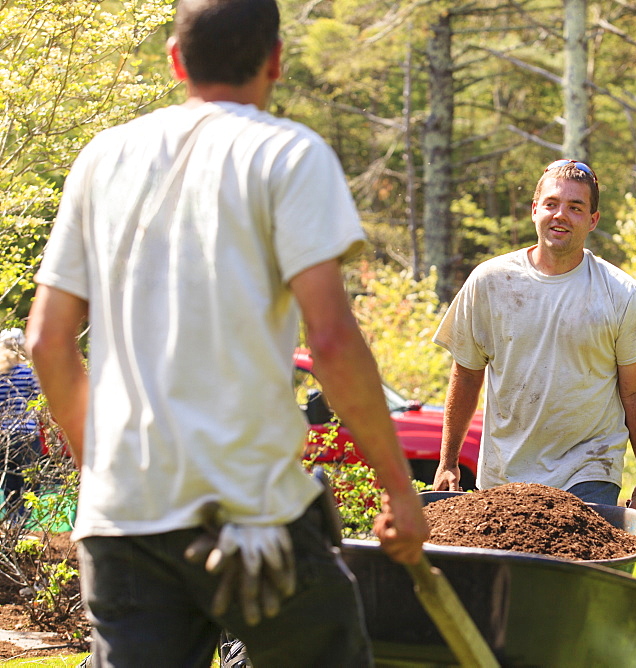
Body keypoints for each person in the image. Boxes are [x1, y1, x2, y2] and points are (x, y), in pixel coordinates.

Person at [25, 0, 428, 666]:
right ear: (274, 61)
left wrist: (104, 469)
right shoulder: (290, 155)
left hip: (125, 523)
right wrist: (398, 487)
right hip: (253, 513)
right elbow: (328, 342)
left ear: (176, 61)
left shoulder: (104, 159)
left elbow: (46, 341)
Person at [432, 159, 636, 514]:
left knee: (574, 566)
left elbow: (635, 393)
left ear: (592, 220)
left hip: (589, 469)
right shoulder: (490, 282)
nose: (561, 215)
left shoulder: (621, 294)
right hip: (504, 473)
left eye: (575, 207)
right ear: (534, 209)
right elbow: (466, 374)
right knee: (508, 571)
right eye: (552, 204)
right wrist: (448, 461)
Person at [0, 328, 41, 520]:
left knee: (10, 483)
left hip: (4, 434)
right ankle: (24, 521)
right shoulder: (27, 372)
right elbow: (40, 399)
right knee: (31, 483)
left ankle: (12, 521)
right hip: (27, 433)